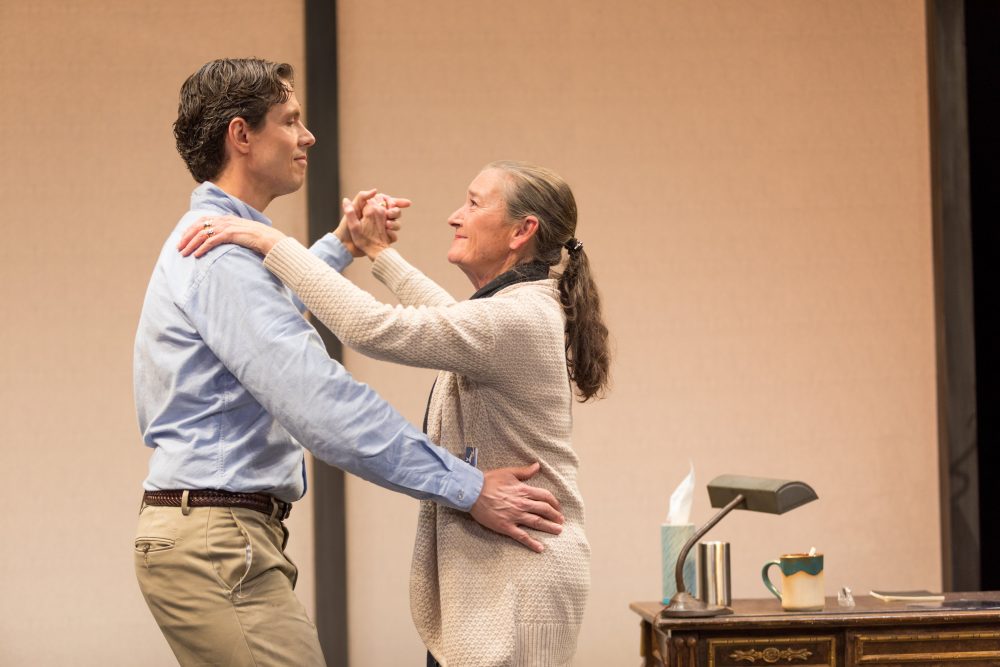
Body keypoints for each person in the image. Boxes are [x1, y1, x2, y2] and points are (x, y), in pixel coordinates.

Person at [134, 58, 564, 667]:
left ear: (524, 232)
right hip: (215, 538)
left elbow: (444, 329)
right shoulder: (222, 253)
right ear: (242, 136)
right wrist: (468, 489)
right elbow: (326, 403)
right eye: (291, 120)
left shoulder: (220, 245)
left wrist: (342, 248)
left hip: (217, 534)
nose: (308, 136)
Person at [180, 160, 611, 666]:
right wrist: (377, 253)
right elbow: (448, 319)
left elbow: (372, 328)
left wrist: (272, 244)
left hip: (523, 576)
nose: (456, 216)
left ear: (523, 231)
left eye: (473, 203)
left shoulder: (516, 317)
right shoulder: (516, 309)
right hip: (506, 572)